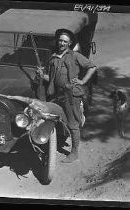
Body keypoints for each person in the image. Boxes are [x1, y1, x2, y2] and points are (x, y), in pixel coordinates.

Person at [40, 28, 97, 163]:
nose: (61, 43)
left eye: (65, 41)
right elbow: (53, 79)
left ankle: (74, 152)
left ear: (70, 43)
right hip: (56, 94)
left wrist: (82, 81)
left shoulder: (74, 56)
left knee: (72, 123)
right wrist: (43, 76)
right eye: (60, 40)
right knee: (54, 118)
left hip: (71, 95)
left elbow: (92, 67)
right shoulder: (53, 58)